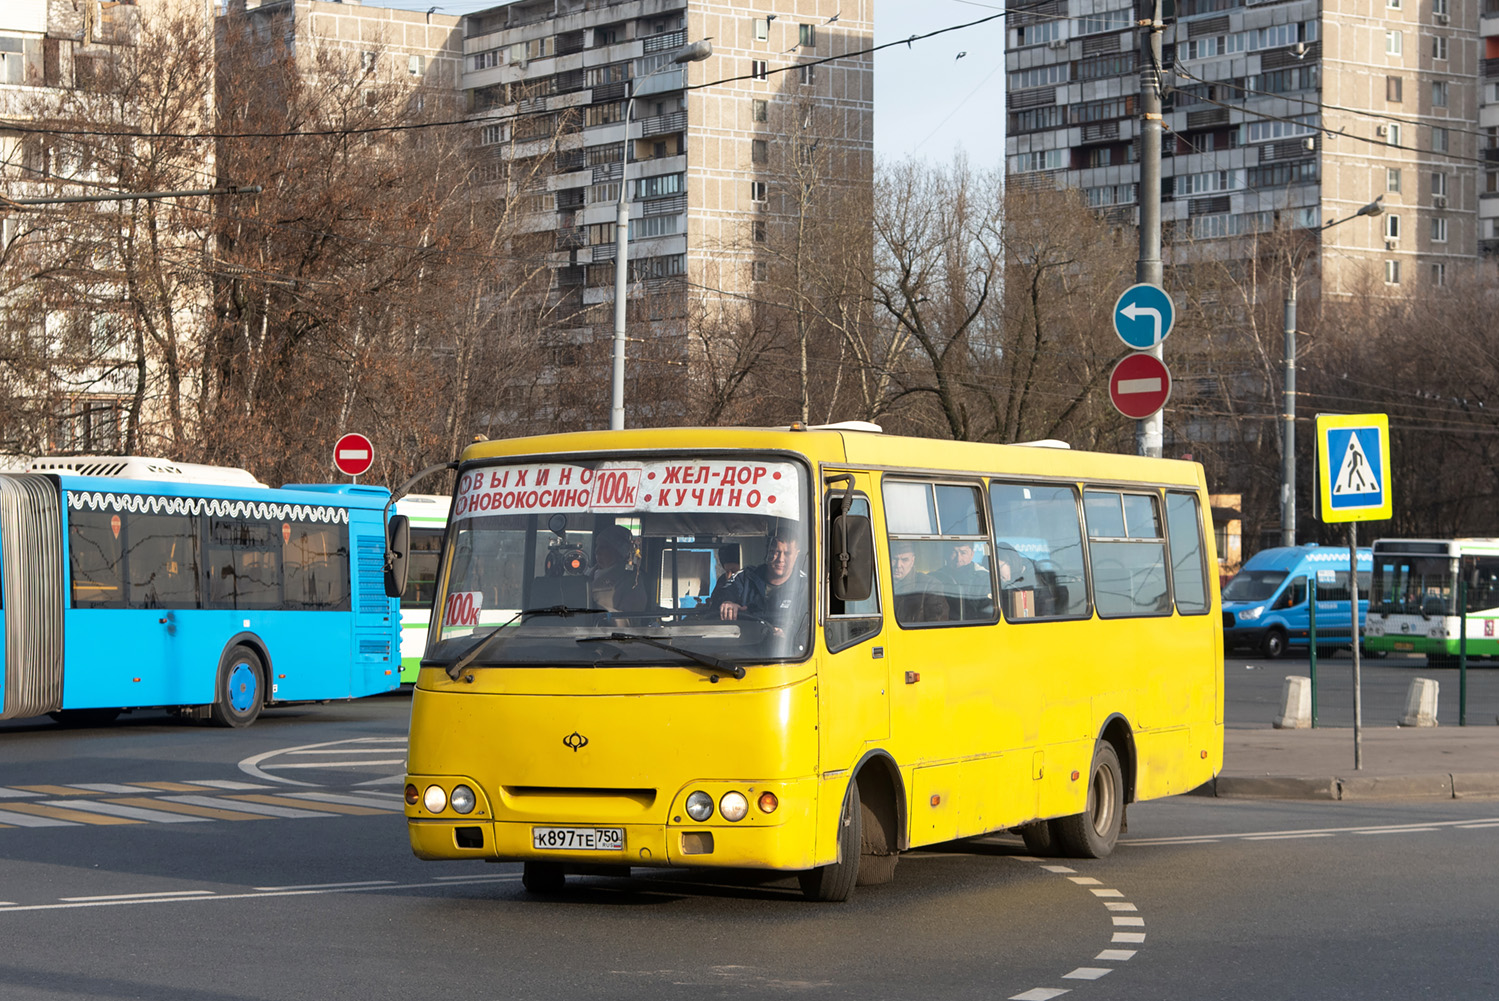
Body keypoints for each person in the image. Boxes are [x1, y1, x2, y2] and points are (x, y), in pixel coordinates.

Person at [716, 528, 806, 636]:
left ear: (796, 554)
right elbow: (721, 595)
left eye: (787, 553)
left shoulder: (806, 586)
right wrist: (727, 602)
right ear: (767, 552)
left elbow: (809, 629)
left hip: (788, 651)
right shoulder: (746, 577)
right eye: (775, 552)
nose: (780, 559)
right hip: (744, 648)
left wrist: (788, 635)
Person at [890, 540, 948, 624]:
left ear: (912, 561)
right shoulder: (878, 584)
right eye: (894, 559)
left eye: (905, 560)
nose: (898, 565)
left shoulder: (930, 586)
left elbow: (936, 627)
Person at [590, 524, 644, 613]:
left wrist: (597, 611)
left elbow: (630, 619)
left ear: (618, 552)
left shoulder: (632, 580)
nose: (597, 551)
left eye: (604, 547)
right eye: (597, 545)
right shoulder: (587, 573)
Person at [933, 541, 993, 620]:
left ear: (972, 554)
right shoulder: (935, 577)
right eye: (953, 552)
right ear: (946, 555)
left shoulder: (984, 579)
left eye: (963, 553)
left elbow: (988, 616)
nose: (958, 558)